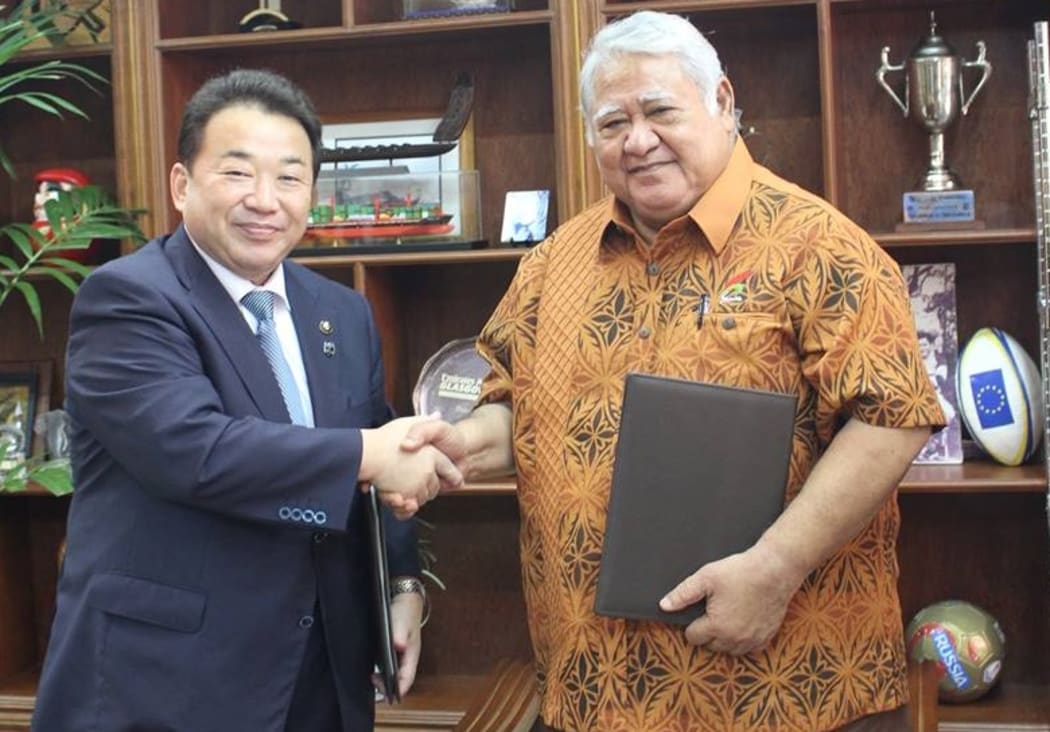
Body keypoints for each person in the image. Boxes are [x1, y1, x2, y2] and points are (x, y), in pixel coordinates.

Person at [405, 10, 945, 731]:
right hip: (592, 693)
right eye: (611, 123)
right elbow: (513, 404)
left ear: (722, 101)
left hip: (782, 693)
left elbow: (894, 418)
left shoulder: (819, 248)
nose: (637, 141)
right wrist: (464, 444)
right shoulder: (552, 265)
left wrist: (776, 569)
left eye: (659, 110)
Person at [32, 68, 461, 732]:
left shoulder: (340, 313)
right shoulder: (129, 299)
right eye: (237, 173)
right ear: (182, 185)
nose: (266, 199)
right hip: (167, 684)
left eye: (289, 178)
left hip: (321, 678)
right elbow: (197, 451)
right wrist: (372, 453)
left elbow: (379, 453)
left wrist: (400, 587)